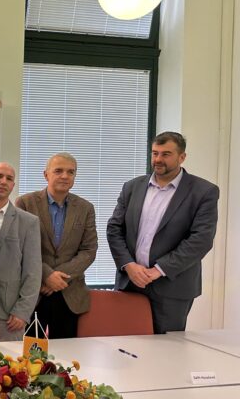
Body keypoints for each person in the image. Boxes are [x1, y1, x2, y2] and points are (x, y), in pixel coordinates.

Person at [107, 132, 218, 334]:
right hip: (130, 282)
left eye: (166, 154)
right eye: (155, 153)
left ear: (182, 157)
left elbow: (201, 240)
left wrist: (158, 270)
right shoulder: (132, 187)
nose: (158, 159)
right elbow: (114, 229)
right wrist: (129, 265)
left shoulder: (203, 191)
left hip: (172, 287)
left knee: (167, 349)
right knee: (125, 345)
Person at [15, 152, 96, 339]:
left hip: (69, 293)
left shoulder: (85, 208)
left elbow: (89, 250)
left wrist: (58, 277)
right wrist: (47, 275)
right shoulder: (25, 203)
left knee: (65, 354)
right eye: (58, 171)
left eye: (70, 172)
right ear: (46, 175)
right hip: (34, 292)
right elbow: (19, 247)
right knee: (29, 351)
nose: (65, 176)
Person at [0, 162, 42, 341]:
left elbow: (33, 271)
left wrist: (23, 311)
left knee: (8, 359)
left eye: (9, 179)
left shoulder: (28, 222)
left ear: (13, 185)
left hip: (9, 313)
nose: (3, 181)